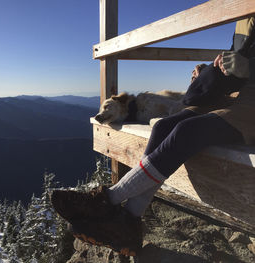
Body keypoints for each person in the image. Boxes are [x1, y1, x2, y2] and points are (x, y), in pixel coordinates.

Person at [51, 17, 255, 257]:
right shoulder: (244, 13)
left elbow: (246, 65)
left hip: (250, 106)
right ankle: (130, 221)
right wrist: (213, 70)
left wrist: (249, 68)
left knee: (186, 132)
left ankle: (108, 200)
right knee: (162, 127)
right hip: (231, 97)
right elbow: (237, 58)